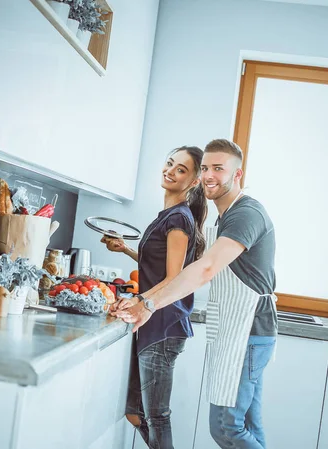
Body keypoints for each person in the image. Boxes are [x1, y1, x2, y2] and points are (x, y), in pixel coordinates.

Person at [116, 139, 278, 449]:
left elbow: (204, 270)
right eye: (205, 168)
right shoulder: (224, 216)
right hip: (236, 329)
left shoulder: (245, 214)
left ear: (238, 174)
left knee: (227, 428)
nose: (209, 175)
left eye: (219, 168)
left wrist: (148, 302)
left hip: (248, 331)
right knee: (247, 427)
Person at [101, 145, 207, 449]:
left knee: (156, 416)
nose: (170, 171)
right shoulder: (170, 216)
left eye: (181, 170)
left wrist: (139, 301)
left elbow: (173, 279)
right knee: (135, 413)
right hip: (154, 324)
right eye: (170, 164)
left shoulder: (179, 220)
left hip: (164, 326)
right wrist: (126, 250)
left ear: (194, 181)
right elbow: (160, 266)